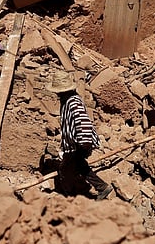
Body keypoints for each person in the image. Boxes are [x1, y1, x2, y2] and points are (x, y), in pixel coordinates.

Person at [47, 70, 113, 200]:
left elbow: (83, 122)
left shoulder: (73, 102)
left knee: (65, 171)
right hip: (74, 143)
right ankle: (101, 187)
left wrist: (84, 142)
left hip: (79, 143)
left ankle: (71, 198)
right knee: (80, 166)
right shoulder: (67, 101)